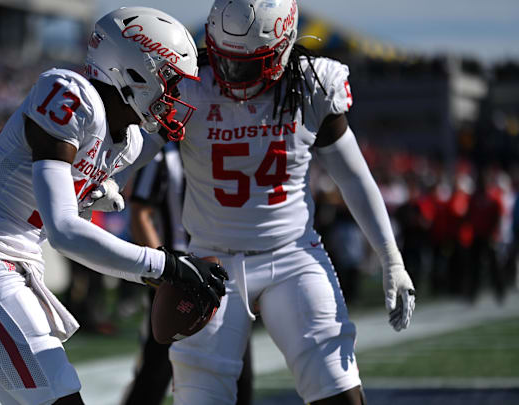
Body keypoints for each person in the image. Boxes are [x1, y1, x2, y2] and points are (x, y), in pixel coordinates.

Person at [114, 1, 417, 403]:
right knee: (201, 394)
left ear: (283, 47)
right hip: (210, 264)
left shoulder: (312, 85)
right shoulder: (189, 86)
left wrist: (390, 258)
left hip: (292, 256)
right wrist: (101, 181)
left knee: (336, 387)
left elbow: (353, 176)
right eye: (223, 59)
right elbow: (133, 151)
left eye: (246, 64)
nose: (231, 75)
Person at [0, 7, 227, 405]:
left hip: (18, 263)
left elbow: (127, 164)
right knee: (62, 397)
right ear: (136, 71)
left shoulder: (128, 140)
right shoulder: (70, 94)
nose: (173, 96)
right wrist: (167, 266)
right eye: (169, 81)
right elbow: (65, 230)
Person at [122, 142, 253, 405]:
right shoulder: (163, 155)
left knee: (240, 370)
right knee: (157, 369)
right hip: (180, 274)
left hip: (223, 273)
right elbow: (140, 213)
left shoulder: (222, 144)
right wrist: (163, 271)